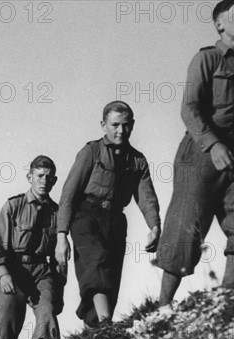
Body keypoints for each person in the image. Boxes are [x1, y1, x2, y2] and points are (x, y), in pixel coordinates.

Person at [156, 0, 234, 308]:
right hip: (200, 153)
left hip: (233, 158)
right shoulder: (206, 59)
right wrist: (213, 144)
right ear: (220, 24)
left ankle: (227, 293)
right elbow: (189, 109)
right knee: (185, 228)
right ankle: (163, 305)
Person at [55, 101, 161, 327]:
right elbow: (68, 194)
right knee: (96, 263)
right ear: (103, 125)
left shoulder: (137, 160)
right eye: (114, 125)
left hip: (115, 221)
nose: (120, 131)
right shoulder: (91, 151)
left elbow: (146, 197)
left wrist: (154, 226)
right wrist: (61, 235)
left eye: (126, 125)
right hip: (86, 216)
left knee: (111, 280)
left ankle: (95, 333)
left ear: (132, 125)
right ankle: (105, 323)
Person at [0, 155, 66, 339]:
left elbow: (60, 255)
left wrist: (59, 286)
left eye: (49, 177)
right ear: (29, 177)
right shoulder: (13, 206)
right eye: (39, 176)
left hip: (41, 269)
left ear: (55, 181)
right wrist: (3, 274)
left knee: (47, 311)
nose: (44, 181)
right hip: (14, 269)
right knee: (6, 320)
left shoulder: (58, 213)